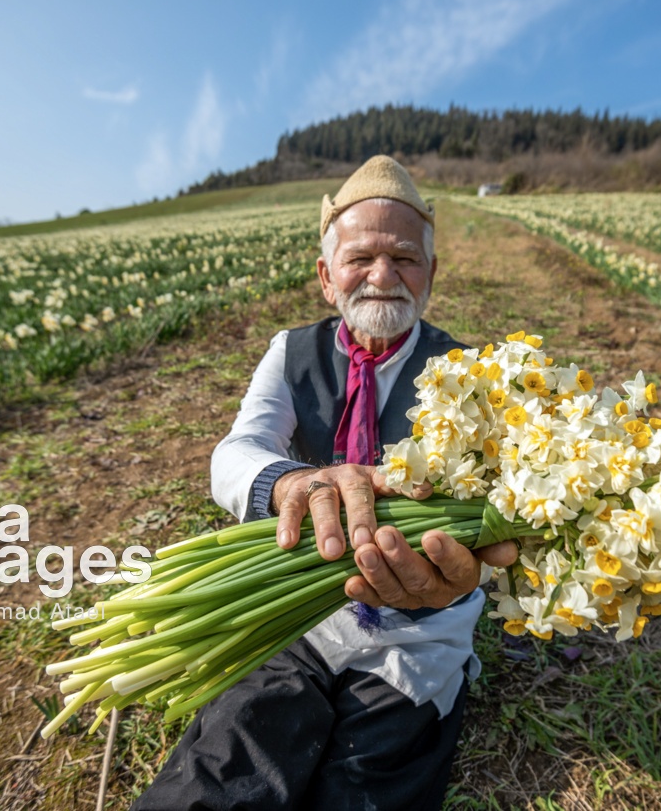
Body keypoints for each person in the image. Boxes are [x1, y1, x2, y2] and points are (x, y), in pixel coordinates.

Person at [132, 156, 518, 811]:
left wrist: (467, 576)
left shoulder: (471, 374)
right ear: (325, 277)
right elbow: (237, 452)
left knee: (370, 783)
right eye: (360, 257)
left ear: (430, 274)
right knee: (229, 758)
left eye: (405, 258)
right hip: (293, 607)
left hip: (417, 627)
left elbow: (494, 510)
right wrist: (292, 485)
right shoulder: (291, 353)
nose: (383, 276)